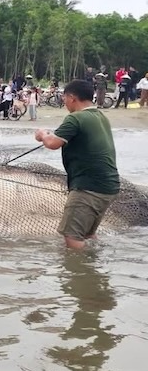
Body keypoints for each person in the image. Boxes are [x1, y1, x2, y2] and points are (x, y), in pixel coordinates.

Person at [34, 79, 120, 250]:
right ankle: (94, 260)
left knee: (72, 236)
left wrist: (42, 134)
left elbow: (52, 143)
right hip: (109, 186)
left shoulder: (75, 118)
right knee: (87, 234)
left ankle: (80, 266)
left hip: (88, 187)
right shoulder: (100, 116)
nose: (64, 102)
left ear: (72, 98)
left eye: (65, 98)